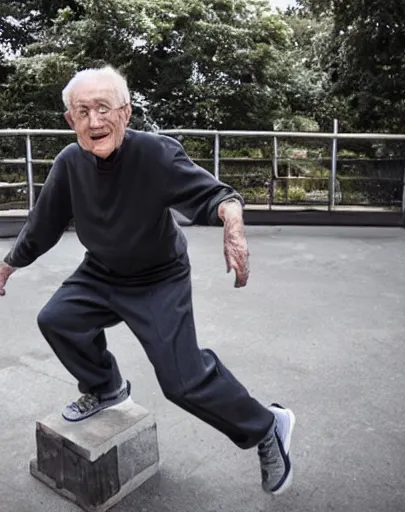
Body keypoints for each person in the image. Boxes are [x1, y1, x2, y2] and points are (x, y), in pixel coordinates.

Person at [0, 65, 295, 496]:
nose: (94, 121)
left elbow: (215, 194)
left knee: (183, 382)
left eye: (104, 108)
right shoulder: (69, 163)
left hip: (158, 278)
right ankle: (105, 388)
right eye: (82, 112)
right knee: (57, 319)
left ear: (126, 113)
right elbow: (43, 224)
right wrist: (9, 264)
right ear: (70, 121)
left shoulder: (155, 154)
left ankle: (267, 426)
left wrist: (233, 222)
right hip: (100, 272)